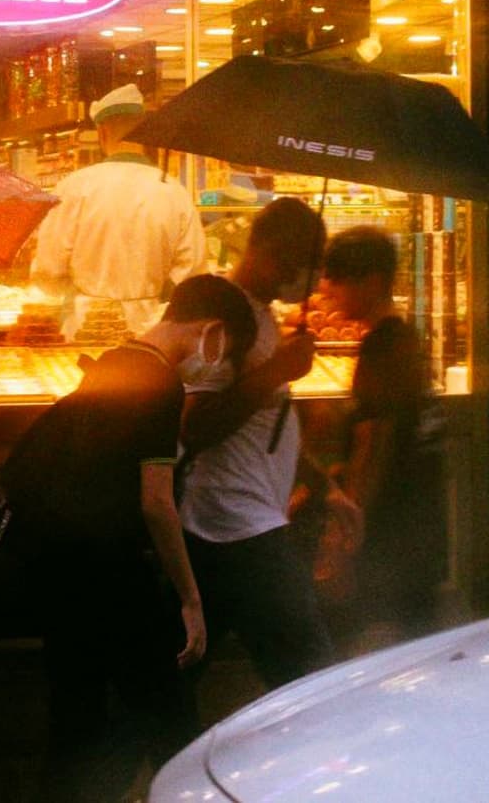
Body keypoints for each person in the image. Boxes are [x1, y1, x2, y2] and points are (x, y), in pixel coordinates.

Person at [0, 273, 257, 803]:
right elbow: (155, 503)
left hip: (61, 569)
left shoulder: (114, 361)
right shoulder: (161, 384)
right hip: (113, 573)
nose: (222, 363)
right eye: (227, 348)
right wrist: (190, 597)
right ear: (212, 329)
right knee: (169, 714)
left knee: (75, 718)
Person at [176, 197, 333, 690]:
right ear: (265, 250)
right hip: (236, 522)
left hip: (237, 525)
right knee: (311, 679)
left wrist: (326, 487)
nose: (304, 279)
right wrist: (277, 373)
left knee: (169, 682)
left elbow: (265, 427)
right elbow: (196, 425)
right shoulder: (221, 313)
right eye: (298, 264)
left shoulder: (262, 317)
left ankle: (140, 755)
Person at [320, 226, 446, 649]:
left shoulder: (383, 348)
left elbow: (373, 446)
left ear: (372, 281)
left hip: (390, 535)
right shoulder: (405, 340)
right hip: (419, 530)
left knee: (372, 644)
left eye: (340, 278)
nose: (329, 288)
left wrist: (345, 535)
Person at [29, 82, 207, 338]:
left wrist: (75, 290)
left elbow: (48, 271)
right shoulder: (173, 192)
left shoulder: (74, 187)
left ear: (102, 132)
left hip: (83, 330)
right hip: (151, 334)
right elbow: (192, 278)